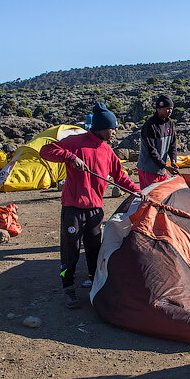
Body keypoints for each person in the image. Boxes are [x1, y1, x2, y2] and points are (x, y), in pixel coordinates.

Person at [40, 102, 143, 305]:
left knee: (95, 249)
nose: (114, 132)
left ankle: (94, 283)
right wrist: (70, 157)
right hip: (73, 209)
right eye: (112, 128)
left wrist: (137, 192)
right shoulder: (75, 142)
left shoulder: (107, 151)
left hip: (95, 210)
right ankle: (68, 286)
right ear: (102, 127)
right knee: (71, 250)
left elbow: (120, 177)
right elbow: (45, 151)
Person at [137, 95, 179, 189]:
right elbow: (151, 150)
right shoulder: (150, 126)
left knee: (163, 197)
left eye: (171, 109)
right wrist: (166, 166)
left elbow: (172, 144)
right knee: (150, 198)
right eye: (167, 109)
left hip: (162, 169)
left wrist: (173, 160)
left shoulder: (170, 123)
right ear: (159, 109)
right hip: (148, 170)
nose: (170, 111)